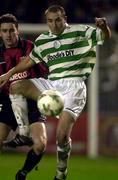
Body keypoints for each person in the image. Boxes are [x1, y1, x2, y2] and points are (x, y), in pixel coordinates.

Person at [0, 5, 111, 180]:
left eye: (58, 19)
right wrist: (9, 73)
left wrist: (103, 27)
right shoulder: (43, 41)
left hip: (74, 88)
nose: (54, 24)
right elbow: (29, 61)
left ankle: (61, 171)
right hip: (52, 84)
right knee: (16, 86)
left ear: (64, 18)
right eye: (50, 21)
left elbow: (104, 36)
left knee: (61, 136)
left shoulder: (81, 31)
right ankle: (23, 134)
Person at [0, 13, 48, 180]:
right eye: (4, 31)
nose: (8, 35)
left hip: (31, 100)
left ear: (17, 31)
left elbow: (43, 73)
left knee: (40, 144)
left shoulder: (29, 47)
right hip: (7, 101)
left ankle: (23, 173)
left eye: (11, 30)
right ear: (0, 33)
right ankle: (21, 135)